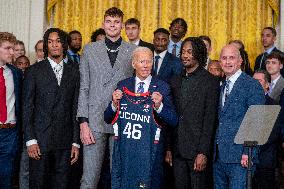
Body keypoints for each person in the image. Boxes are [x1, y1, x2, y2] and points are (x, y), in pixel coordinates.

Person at [77, 7, 136, 189]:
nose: (112, 25)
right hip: (94, 121)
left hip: (122, 120)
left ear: (122, 26)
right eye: (109, 22)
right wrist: (83, 122)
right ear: (103, 24)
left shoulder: (132, 50)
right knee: (89, 179)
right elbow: (84, 87)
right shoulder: (90, 50)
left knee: (119, 178)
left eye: (116, 22)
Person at [104, 46, 178, 189]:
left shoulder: (162, 87)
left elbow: (173, 120)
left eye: (149, 62)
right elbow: (107, 117)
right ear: (133, 64)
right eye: (142, 61)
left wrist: (159, 106)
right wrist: (114, 103)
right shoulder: (123, 85)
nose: (145, 65)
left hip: (151, 152)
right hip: (126, 151)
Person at [22, 28, 80, 189]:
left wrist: (76, 142)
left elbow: (75, 108)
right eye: (50, 41)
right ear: (46, 46)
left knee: (62, 185)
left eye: (58, 41)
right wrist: (30, 140)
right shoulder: (33, 71)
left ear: (64, 45)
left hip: (65, 141)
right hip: (40, 142)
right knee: (38, 184)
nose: (54, 45)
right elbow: (27, 108)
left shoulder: (74, 72)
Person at [170, 37, 219, 189]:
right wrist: (168, 148)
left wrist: (203, 152)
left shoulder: (210, 81)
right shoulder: (175, 80)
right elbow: (171, 116)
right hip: (177, 150)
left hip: (197, 152)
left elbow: (210, 120)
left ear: (198, 53)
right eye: (183, 52)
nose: (185, 55)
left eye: (189, 52)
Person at [213, 44, 265, 189]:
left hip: (241, 158)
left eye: (232, 58)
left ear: (240, 61)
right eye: (224, 58)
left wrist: (249, 153)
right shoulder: (222, 85)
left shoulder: (251, 85)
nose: (228, 62)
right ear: (219, 61)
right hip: (219, 157)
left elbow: (256, 121)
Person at [0, 32, 22, 189]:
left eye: (13, 49)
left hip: (9, 133)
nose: (12, 53)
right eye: (8, 48)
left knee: (7, 177)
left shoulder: (15, 72)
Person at [252, 70, 279, 189]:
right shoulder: (245, 103)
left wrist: (251, 149)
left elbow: (272, 134)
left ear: (267, 84)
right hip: (246, 162)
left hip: (264, 161)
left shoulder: (274, 105)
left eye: (259, 81)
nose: (254, 83)